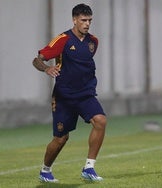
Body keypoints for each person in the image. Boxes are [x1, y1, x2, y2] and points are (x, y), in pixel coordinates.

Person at [32, 3, 107, 182]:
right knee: (60, 138)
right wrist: (47, 69)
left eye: (89, 20)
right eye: (83, 20)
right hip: (64, 97)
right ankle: (45, 170)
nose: (87, 24)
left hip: (86, 94)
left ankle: (89, 167)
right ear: (74, 20)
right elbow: (37, 59)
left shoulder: (93, 42)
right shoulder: (62, 39)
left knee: (100, 121)